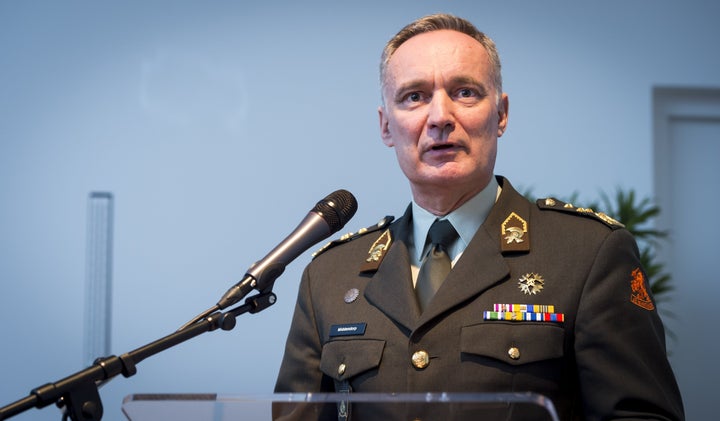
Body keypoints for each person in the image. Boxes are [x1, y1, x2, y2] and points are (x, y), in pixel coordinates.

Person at [274, 13, 684, 421]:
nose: (439, 117)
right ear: (386, 126)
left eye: (465, 92)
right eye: (414, 96)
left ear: (501, 114)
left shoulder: (587, 254)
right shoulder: (330, 274)